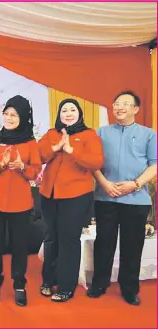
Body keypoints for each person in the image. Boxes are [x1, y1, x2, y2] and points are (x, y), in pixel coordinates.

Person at [87, 91, 157, 306]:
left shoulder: (148, 134)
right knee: (104, 243)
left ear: (136, 109)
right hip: (106, 196)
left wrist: (134, 184)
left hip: (135, 199)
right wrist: (105, 184)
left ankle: (129, 288)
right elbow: (93, 163)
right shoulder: (100, 133)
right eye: (116, 103)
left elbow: (154, 164)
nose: (119, 107)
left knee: (132, 246)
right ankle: (99, 284)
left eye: (125, 104)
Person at [38, 98, 104, 302]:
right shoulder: (51, 133)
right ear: (59, 114)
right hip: (49, 195)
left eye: (72, 110)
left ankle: (66, 286)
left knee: (68, 240)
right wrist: (56, 147)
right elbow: (39, 155)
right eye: (64, 110)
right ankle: (48, 280)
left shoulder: (89, 134)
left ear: (79, 113)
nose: (68, 113)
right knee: (51, 238)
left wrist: (72, 151)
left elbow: (97, 161)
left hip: (75, 196)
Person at [0, 95, 41, 307]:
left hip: (21, 204)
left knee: (19, 245)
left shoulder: (31, 142)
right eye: (6, 113)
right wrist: (1, 164)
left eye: (14, 114)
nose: (9, 118)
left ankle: (19, 285)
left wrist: (22, 167)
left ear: (23, 117)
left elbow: (35, 172)